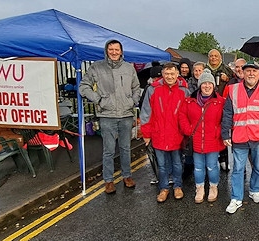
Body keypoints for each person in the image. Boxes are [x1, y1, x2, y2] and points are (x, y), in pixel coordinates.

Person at [79, 39, 141, 194]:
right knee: (108, 150)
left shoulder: (129, 68)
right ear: (106, 51)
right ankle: (109, 180)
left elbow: (136, 87)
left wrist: (132, 101)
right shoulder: (96, 67)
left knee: (126, 148)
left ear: (121, 51)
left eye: (117, 49)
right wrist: (98, 99)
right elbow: (83, 86)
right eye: (111, 49)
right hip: (106, 115)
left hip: (126, 114)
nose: (114, 52)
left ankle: (127, 176)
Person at [222, 61, 259, 214]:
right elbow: (227, 113)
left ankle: (254, 190)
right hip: (239, 136)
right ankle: (236, 198)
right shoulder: (233, 90)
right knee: (238, 169)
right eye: (248, 71)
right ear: (243, 73)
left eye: (254, 71)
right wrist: (225, 133)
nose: (251, 74)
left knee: (258, 167)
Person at [140, 63, 189, 203]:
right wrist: (146, 134)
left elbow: (187, 114)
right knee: (161, 165)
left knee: (178, 163)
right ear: (162, 74)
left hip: (176, 134)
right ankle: (164, 188)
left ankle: (178, 186)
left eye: (172, 74)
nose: (169, 77)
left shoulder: (184, 91)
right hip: (158, 133)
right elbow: (146, 113)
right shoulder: (152, 90)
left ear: (177, 74)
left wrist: (186, 132)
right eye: (167, 74)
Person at [179, 69, 225, 204]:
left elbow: (226, 119)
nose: (207, 86)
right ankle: (199, 188)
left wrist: (218, 131)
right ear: (200, 85)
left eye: (209, 83)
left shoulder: (221, 101)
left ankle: (213, 187)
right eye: (204, 83)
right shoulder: (189, 101)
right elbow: (182, 116)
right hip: (196, 139)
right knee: (198, 166)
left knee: (212, 166)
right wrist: (188, 130)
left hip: (213, 139)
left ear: (213, 85)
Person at [206, 49, 236, 171]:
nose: (213, 58)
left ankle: (224, 160)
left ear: (220, 58)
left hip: (222, 104)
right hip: (207, 105)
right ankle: (210, 160)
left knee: (222, 132)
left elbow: (234, 81)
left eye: (216, 56)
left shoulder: (226, 69)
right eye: (211, 56)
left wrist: (227, 78)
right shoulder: (204, 69)